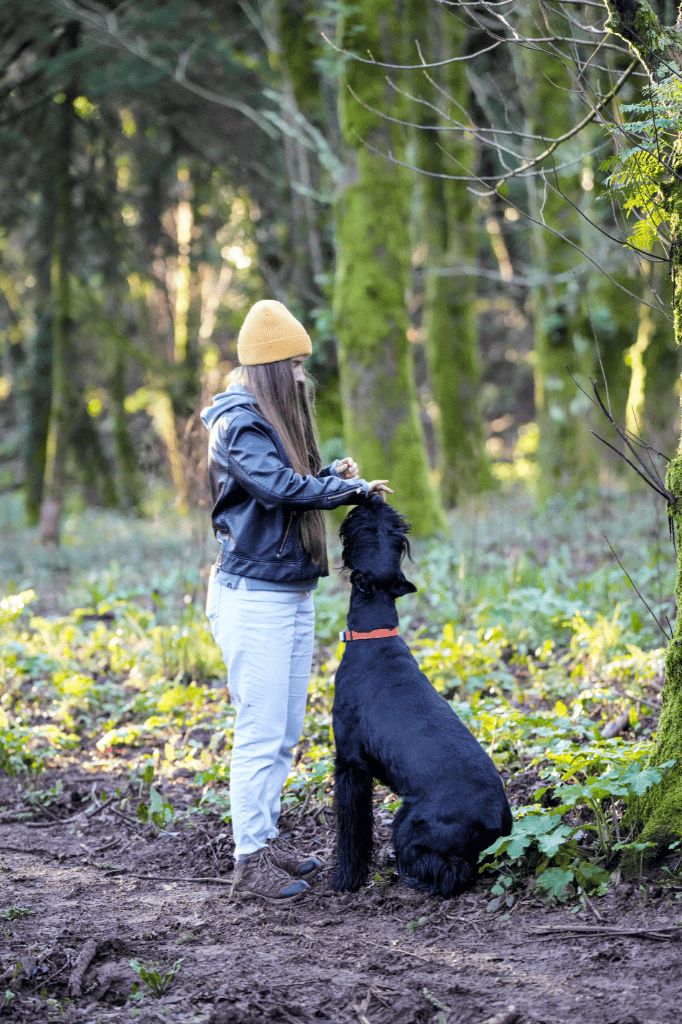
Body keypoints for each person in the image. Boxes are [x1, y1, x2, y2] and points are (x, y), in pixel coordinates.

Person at [201, 299, 392, 901]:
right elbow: (276, 487)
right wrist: (345, 488)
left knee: (282, 732)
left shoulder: (267, 421)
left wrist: (330, 472)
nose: (305, 376)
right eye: (297, 365)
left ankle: (267, 838)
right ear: (274, 367)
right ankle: (248, 861)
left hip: (287, 592)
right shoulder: (238, 421)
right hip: (254, 597)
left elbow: (285, 484)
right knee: (259, 730)